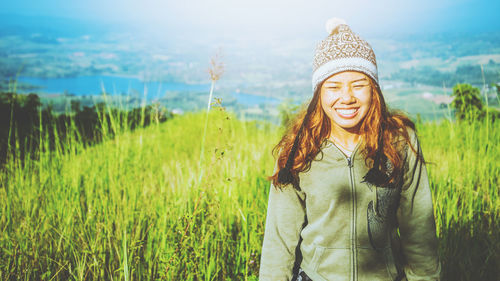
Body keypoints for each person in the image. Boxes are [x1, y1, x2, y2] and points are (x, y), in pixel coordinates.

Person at [258, 18, 441, 281]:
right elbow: (279, 241)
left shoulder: (399, 141)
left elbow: (419, 230)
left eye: (358, 84)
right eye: (333, 86)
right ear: (318, 94)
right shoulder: (298, 150)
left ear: (374, 89)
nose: (347, 97)